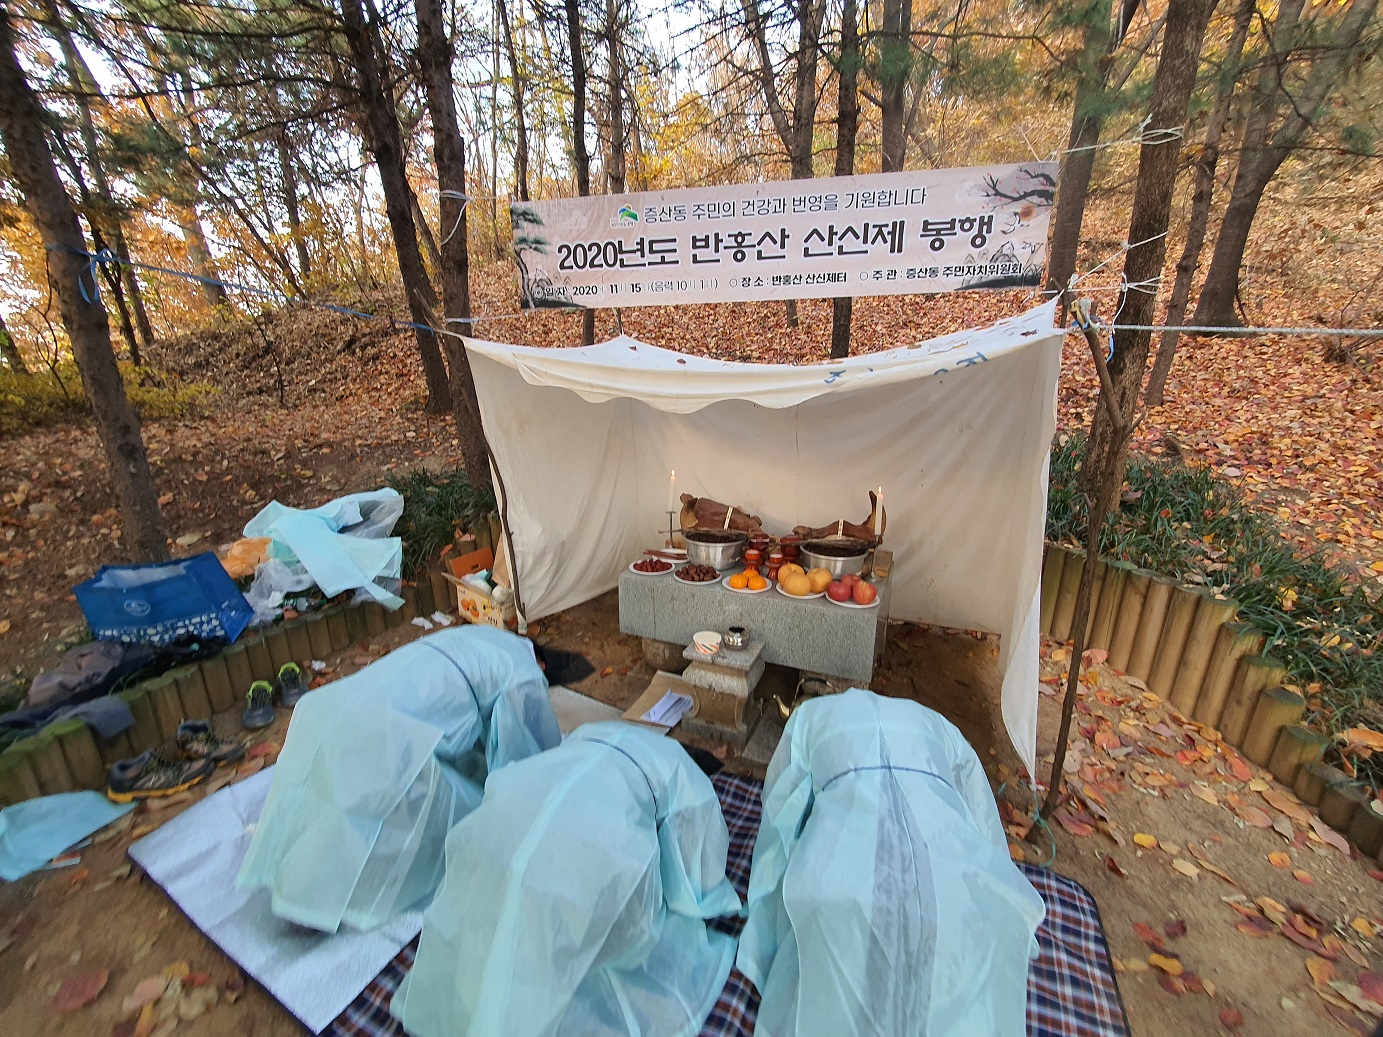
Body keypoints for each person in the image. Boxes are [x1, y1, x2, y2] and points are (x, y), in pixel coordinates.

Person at [391, 720, 741, 1037]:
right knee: (611, 931)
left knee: (509, 929)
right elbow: (699, 877)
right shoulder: (679, 768)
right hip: (592, 896)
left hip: (486, 860)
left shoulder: (581, 737)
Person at [738, 689, 1045, 1037]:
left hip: (839, 886)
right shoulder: (938, 723)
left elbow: (780, 806)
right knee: (959, 915)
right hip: (956, 885)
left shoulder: (808, 718)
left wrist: (767, 893)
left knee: (830, 910)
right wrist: (997, 877)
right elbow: (979, 810)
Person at [236, 625, 560, 933]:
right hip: (384, 737)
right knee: (469, 818)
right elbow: (528, 762)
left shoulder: (483, 639)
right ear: (541, 665)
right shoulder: (524, 673)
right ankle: (315, 904)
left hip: (331, 710)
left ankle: (297, 882)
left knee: (334, 803)